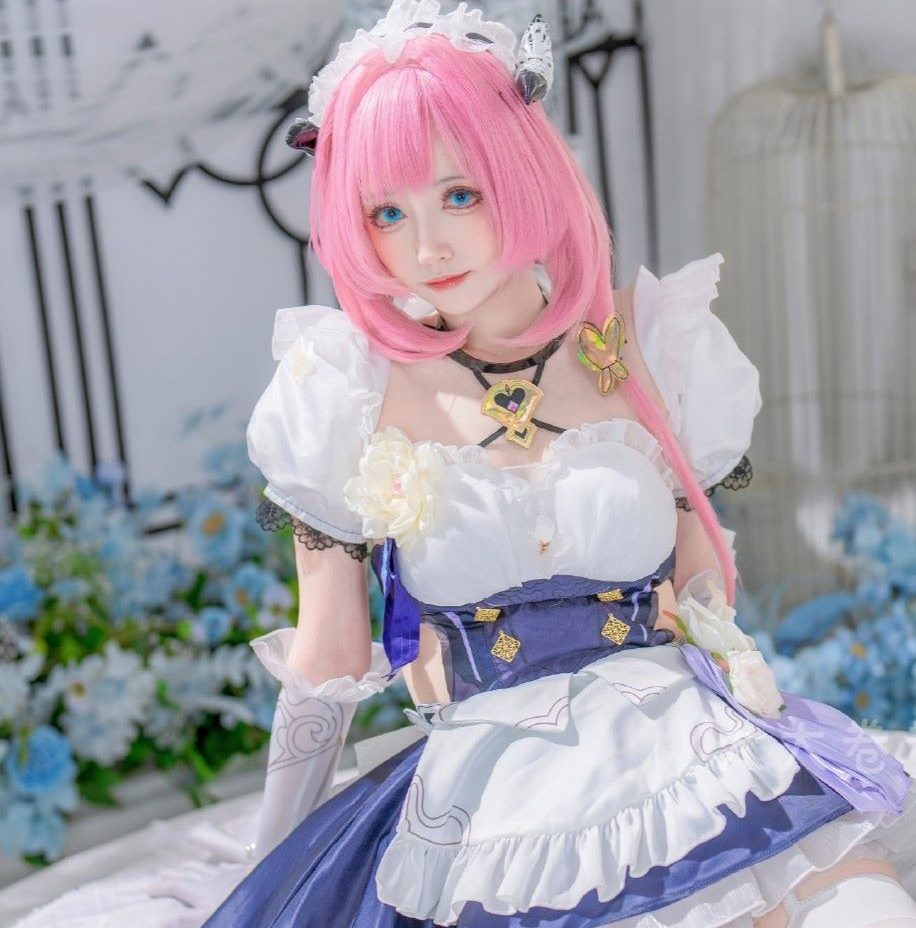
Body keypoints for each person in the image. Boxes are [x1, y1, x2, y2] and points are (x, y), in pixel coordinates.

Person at [202, 2, 916, 926]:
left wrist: (759, 717)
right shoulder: (343, 393)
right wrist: (272, 870)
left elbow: (705, 596)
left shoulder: (652, 342)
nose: (428, 246)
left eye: (460, 194)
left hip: (686, 741)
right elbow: (328, 656)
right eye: (388, 213)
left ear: (522, 170)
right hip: (497, 801)